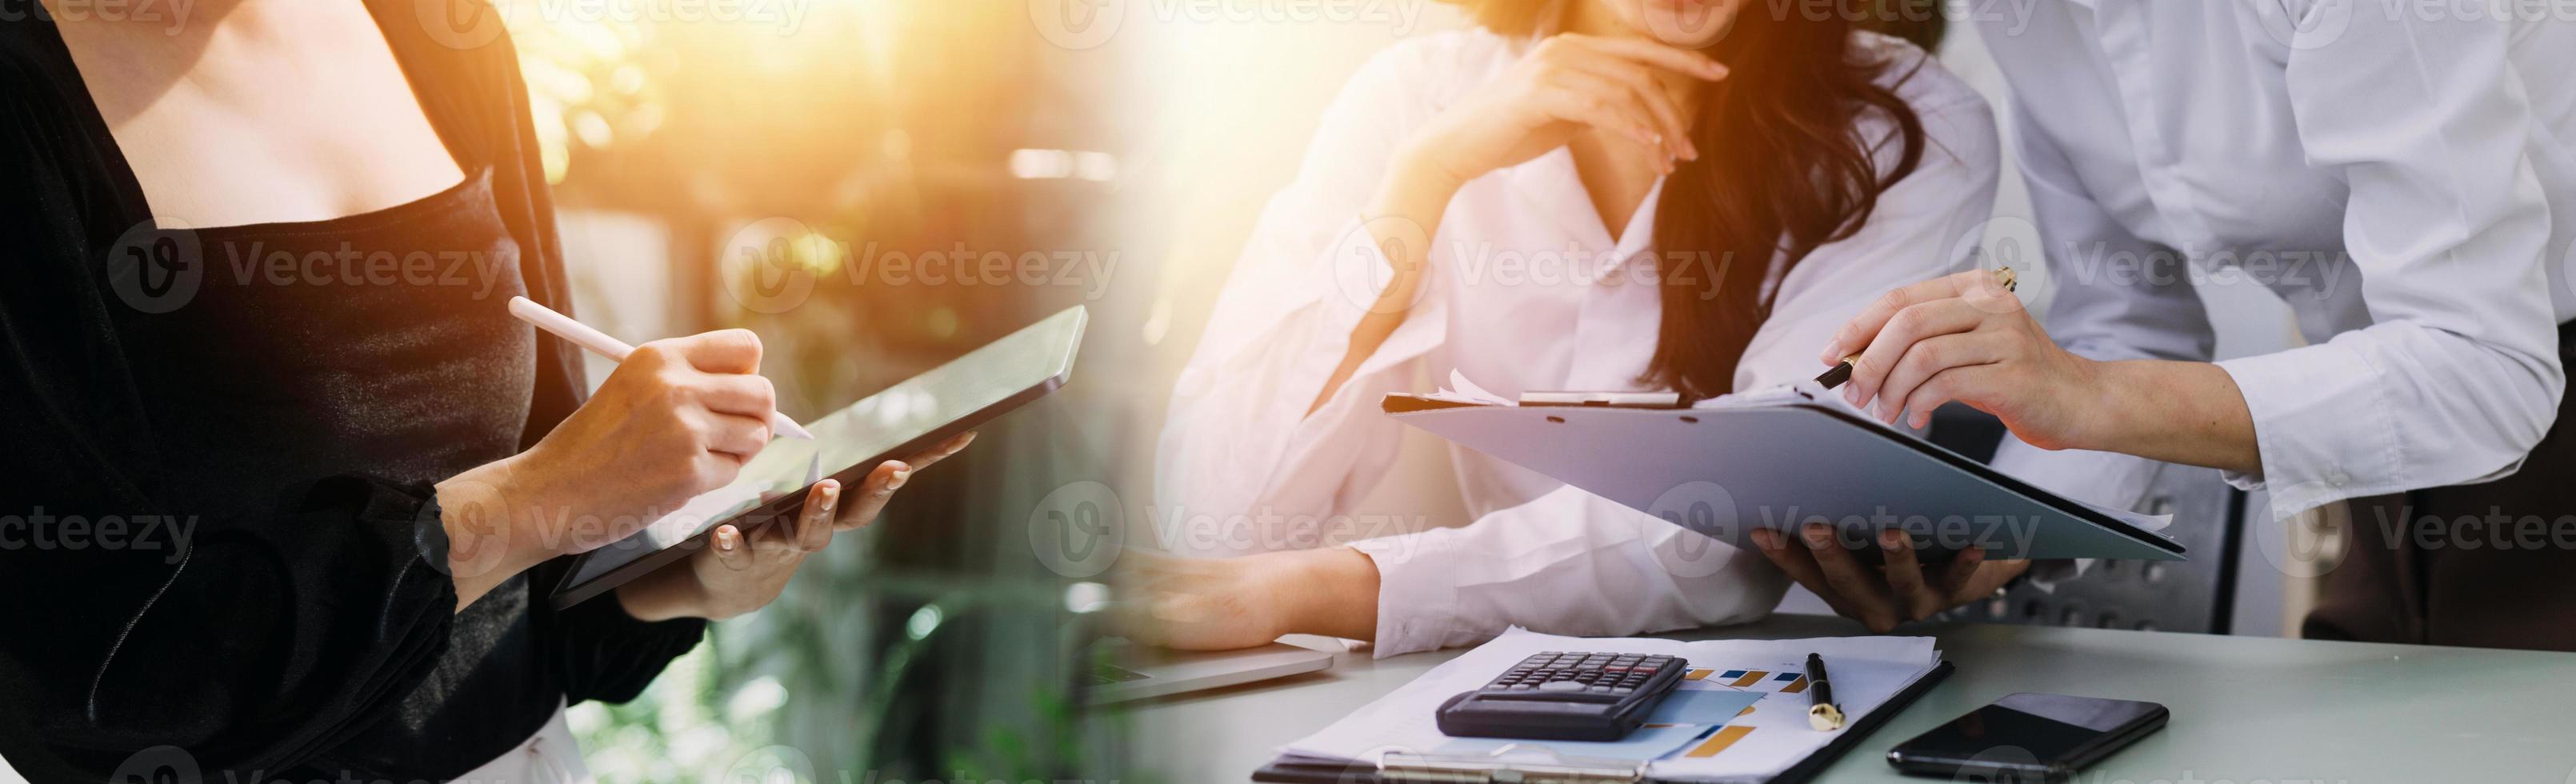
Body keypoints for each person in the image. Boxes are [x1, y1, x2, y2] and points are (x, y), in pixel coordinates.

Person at [0, 1, 968, 779]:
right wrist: (537, 498)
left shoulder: (439, 31)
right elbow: (85, 682)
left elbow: (538, 581)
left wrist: (691, 576)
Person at [1128, 0, 1999, 654]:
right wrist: (1425, 178)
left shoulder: (1908, 126)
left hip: (1780, 678)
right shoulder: (1417, 96)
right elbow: (1218, 521)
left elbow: (1735, 519)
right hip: (1450, 682)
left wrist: (1328, 586)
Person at [1768, 2, 2576, 646]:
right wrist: (1995, 539)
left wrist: (2090, 391)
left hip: (2528, 414)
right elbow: (2124, 318)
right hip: (2391, 439)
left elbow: (2485, 365)